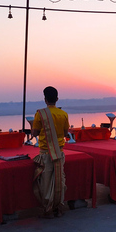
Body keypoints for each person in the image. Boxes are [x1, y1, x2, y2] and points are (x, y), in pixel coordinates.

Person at [31, 86, 70, 218]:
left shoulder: (40, 114)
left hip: (46, 152)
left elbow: (35, 133)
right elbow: (65, 133)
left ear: (45, 99)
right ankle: (58, 207)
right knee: (59, 180)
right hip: (59, 152)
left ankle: (48, 209)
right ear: (57, 99)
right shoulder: (63, 114)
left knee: (46, 181)